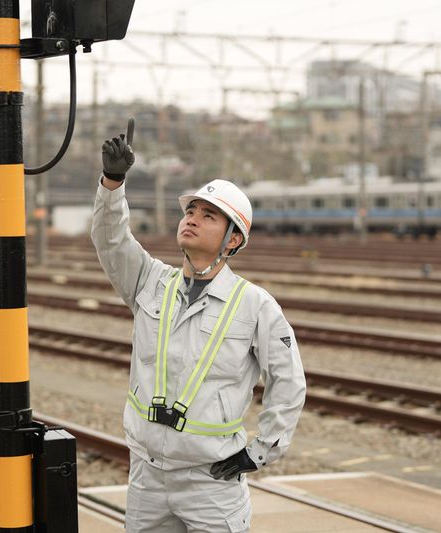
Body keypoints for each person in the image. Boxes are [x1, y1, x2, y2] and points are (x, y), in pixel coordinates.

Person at [91, 118, 306, 532]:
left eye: (208, 216)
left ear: (233, 240)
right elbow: (110, 239)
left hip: (212, 483)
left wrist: (261, 451)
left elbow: (289, 381)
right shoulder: (150, 282)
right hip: (147, 477)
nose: (192, 218)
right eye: (190, 211)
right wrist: (112, 184)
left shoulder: (255, 305)